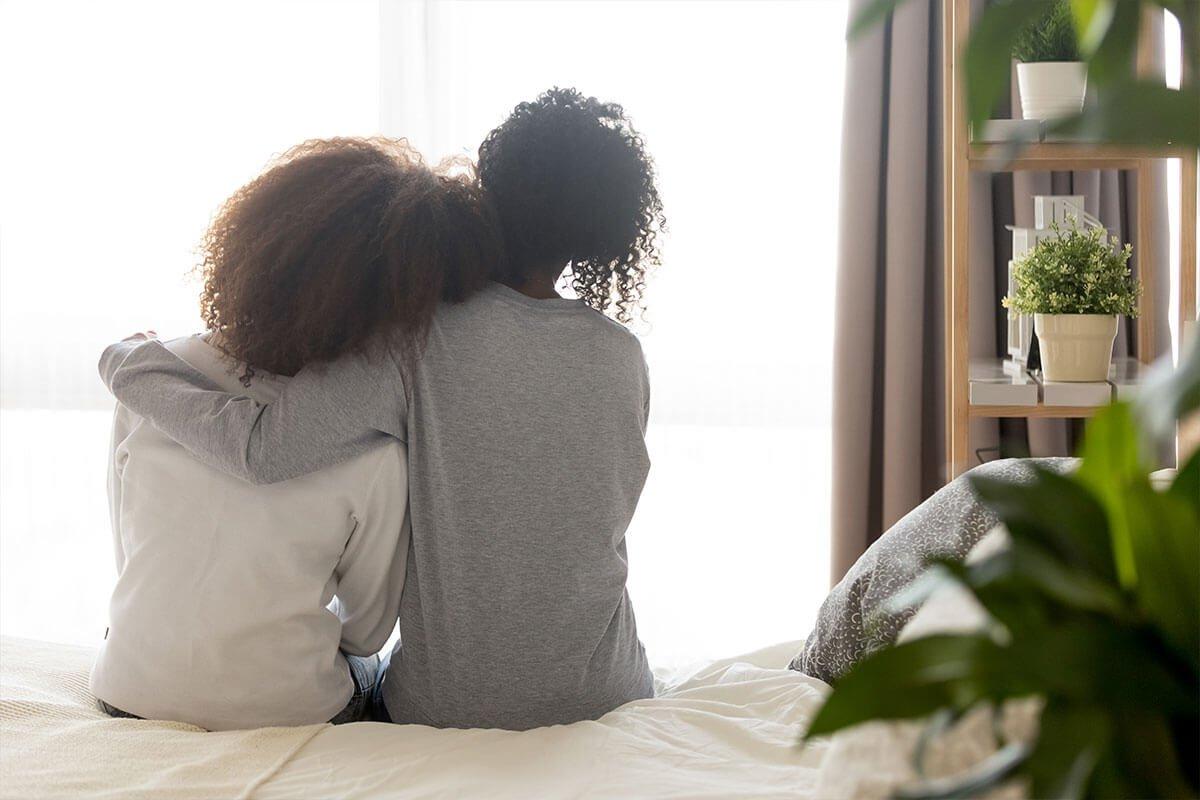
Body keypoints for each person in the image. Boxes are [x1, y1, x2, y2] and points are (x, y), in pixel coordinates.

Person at [99, 87, 667, 730]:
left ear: (491, 186)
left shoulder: (415, 339)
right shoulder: (624, 357)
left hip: (445, 708)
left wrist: (128, 365)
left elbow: (263, 449)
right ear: (606, 230)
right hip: (611, 693)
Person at [91, 137, 501, 730]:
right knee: (374, 675)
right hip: (286, 711)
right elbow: (366, 632)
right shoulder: (376, 451)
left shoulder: (148, 382)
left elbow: (127, 547)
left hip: (126, 687)